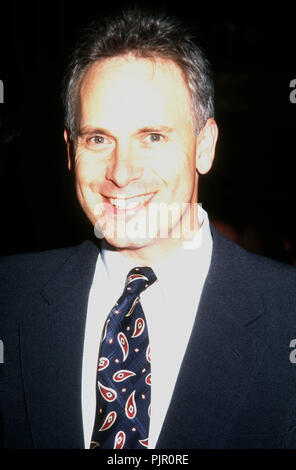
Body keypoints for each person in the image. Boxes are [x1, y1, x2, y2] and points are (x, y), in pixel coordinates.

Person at [1, 8, 296, 449]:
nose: (121, 172)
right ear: (69, 151)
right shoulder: (9, 294)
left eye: (153, 137)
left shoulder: (286, 311)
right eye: (98, 139)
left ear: (205, 147)